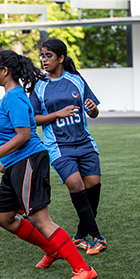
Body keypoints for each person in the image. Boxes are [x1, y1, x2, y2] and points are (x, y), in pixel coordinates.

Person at [0, 49, 98, 279]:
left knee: (39, 218)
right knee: (3, 217)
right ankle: (52, 250)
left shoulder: (15, 97)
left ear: (4, 71)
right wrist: (4, 162)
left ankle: (83, 269)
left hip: (29, 161)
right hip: (15, 164)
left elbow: (24, 135)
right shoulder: (8, 97)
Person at [30, 38, 107, 255]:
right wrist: (57, 114)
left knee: (93, 188)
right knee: (75, 184)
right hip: (59, 146)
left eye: (49, 56)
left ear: (61, 58)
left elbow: (93, 112)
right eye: (42, 56)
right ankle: (98, 238)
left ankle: (80, 236)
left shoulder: (76, 81)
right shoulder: (39, 86)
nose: (44, 60)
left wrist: (92, 110)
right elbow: (32, 119)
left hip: (84, 143)